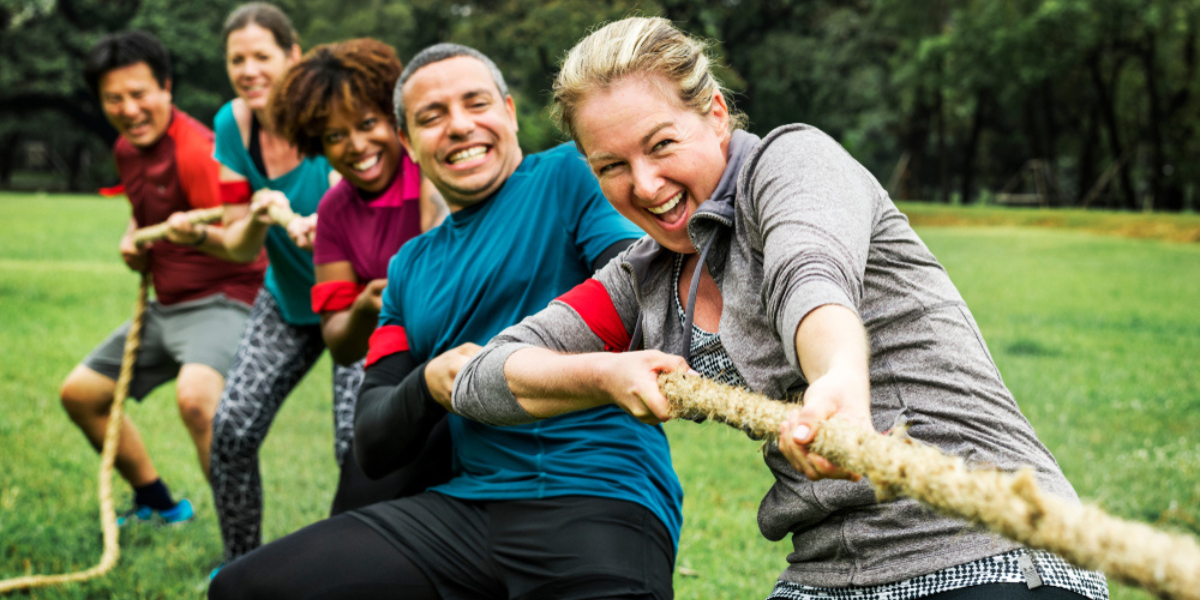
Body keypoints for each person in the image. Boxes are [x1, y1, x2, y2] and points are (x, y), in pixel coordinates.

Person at [451, 17, 1110, 600]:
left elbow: (811, 277)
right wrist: (602, 376)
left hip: (986, 546)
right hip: (826, 575)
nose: (644, 185)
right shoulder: (644, 278)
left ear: (713, 114)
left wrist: (838, 383)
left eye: (660, 145)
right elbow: (486, 378)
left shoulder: (791, 165)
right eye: (611, 166)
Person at [209, 43, 676, 600]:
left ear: (508, 111)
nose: (458, 126)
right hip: (465, 512)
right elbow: (373, 441)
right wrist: (431, 382)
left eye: (475, 104)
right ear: (408, 142)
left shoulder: (569, 176)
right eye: (431, 117)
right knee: (244, 589)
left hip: (597, 496)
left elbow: (641, 297)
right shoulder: (409, 267)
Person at [60, 30, 266, 526]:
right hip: (166, 305)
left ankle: (242, 548)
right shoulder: (128, 151)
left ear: (166, 89)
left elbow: (243, 242)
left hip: (224, 298)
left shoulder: (198, 151)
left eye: (139, 94)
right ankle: (159, 504)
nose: (129, 109)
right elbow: (146, 212)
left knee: (196, 399)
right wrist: (135, 238)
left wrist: (191, 238)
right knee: (81, 394)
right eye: (114, 98)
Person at [270, 38, 450, 513]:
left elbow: (444, 249)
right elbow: (340, 343)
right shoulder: (333, 212)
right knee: (360, 497)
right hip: (397, 363)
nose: (356, 146)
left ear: (396, 120)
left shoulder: (429, 167)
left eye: (368, 124)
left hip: (463, 357)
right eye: (334, 136)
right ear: (316, 143)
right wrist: (366, 307)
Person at [199, 2, 346, 565]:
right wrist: (254, 219)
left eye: (262, 56)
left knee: (355, 446)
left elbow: (355, 196)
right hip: (287, 301)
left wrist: (326, 224)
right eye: (237, 59)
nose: (249, 70)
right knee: (231, 430)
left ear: (293, 56)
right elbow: (237, 244)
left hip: (356, 303)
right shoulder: (232, 125)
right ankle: (241, 567)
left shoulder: (330, 114)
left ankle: (354, 568)